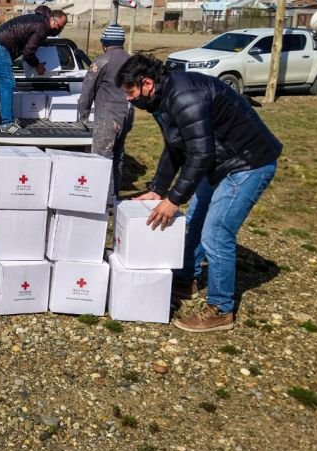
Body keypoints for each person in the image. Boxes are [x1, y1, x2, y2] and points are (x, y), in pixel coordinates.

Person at [116, 54, 282, 333]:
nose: (130, 100)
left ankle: (221, 309)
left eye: (131, 93)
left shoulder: (184, 96)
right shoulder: (160, 98)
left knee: (216, 233)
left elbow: (200, 154)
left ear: (146, 83)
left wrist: (174, 199)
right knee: (195, 220)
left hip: (248, 163)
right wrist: (157, 190)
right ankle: (186, 280)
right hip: (221, 160)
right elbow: (175, 147)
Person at [0, 5, 68, 135]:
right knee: (8, 83)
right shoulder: (42, 27)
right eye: (59, 26)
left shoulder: (39, 21)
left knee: (5, 84)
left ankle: (2, 119)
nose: (59, 29)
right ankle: (6, 123)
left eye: (62, 27)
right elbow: (28, 52)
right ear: (52, 19)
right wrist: (37, 65)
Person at [78, 24, 134, 206]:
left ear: (104, 42)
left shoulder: (102, 61)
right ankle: (115, 196)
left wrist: (83, 115)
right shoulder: (132, 61)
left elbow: (88, 90)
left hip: (108, 115)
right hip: (127, 113)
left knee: (102, 157)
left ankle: (105, 202)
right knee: (118, 154)